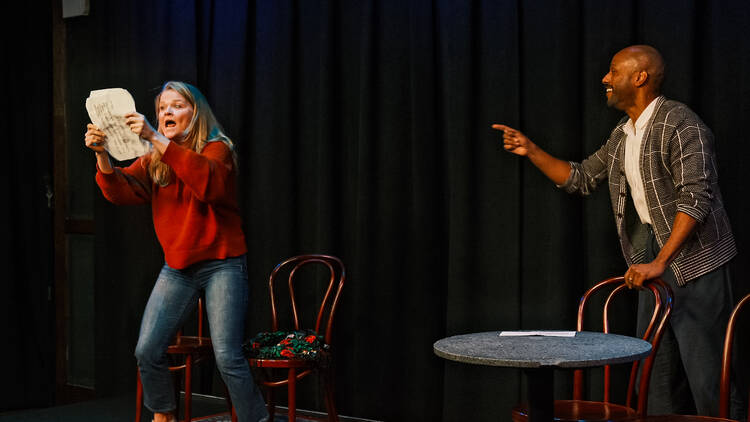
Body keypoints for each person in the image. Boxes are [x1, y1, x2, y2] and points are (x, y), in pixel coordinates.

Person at [492, 45, 743, 417]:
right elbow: (579, 179)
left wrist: (660, 261)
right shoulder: (623, 135)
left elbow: (695, 199)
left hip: (694, 262)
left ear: (639, 77)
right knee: (652, 377)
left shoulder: (681, 123)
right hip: (652, 260)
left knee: (708, 379)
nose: (605, 79)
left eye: (613, 71)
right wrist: (531, 150)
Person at [84, 81, 268, 422]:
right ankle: (164, 416)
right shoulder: (154, 159)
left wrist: (155, 137)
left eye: (176, 105)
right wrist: (101, 154)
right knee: (147, 350)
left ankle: (255, 419)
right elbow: (120, 191)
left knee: (227, 356)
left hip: (222, 264)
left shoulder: (217, 149)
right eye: (162, 107)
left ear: (194, 113)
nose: (167, 112)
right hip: (178, 268)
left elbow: (209, 185)